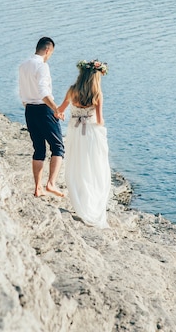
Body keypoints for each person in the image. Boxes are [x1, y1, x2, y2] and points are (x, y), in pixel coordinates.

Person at [57, 59, 111, 228]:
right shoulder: (97, 94)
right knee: (93, 167)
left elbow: (60, 110)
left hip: (75, 131)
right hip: (92, 133)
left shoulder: (72, 90)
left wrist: (63, 115)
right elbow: (100, 120)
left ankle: (79, 198)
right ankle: (91, 202)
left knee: (76, 165)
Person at [18, 37, 65, 198]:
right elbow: (43, 92)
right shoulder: (42, 66)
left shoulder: (23, 65)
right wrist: (56, 109)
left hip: (29, 110)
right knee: (58, 147)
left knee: (39, 149)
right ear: (47, 50)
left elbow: (22, 91)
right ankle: (51, 183)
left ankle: (38, 188)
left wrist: (27, 106)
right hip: (44, 109)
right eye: (51, 53)